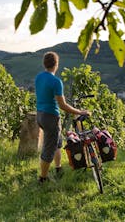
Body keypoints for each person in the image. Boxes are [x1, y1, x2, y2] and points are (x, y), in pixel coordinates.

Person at [35, 51, 90, 183]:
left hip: (40, 115)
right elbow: (63, 105)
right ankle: (43, 178)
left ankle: (58, 168)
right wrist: (80, 112)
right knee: (49, 148)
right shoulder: (56, 82)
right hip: (51, 117)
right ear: (56, 65)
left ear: (44, 64)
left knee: (57, 142)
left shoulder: (39, 77)